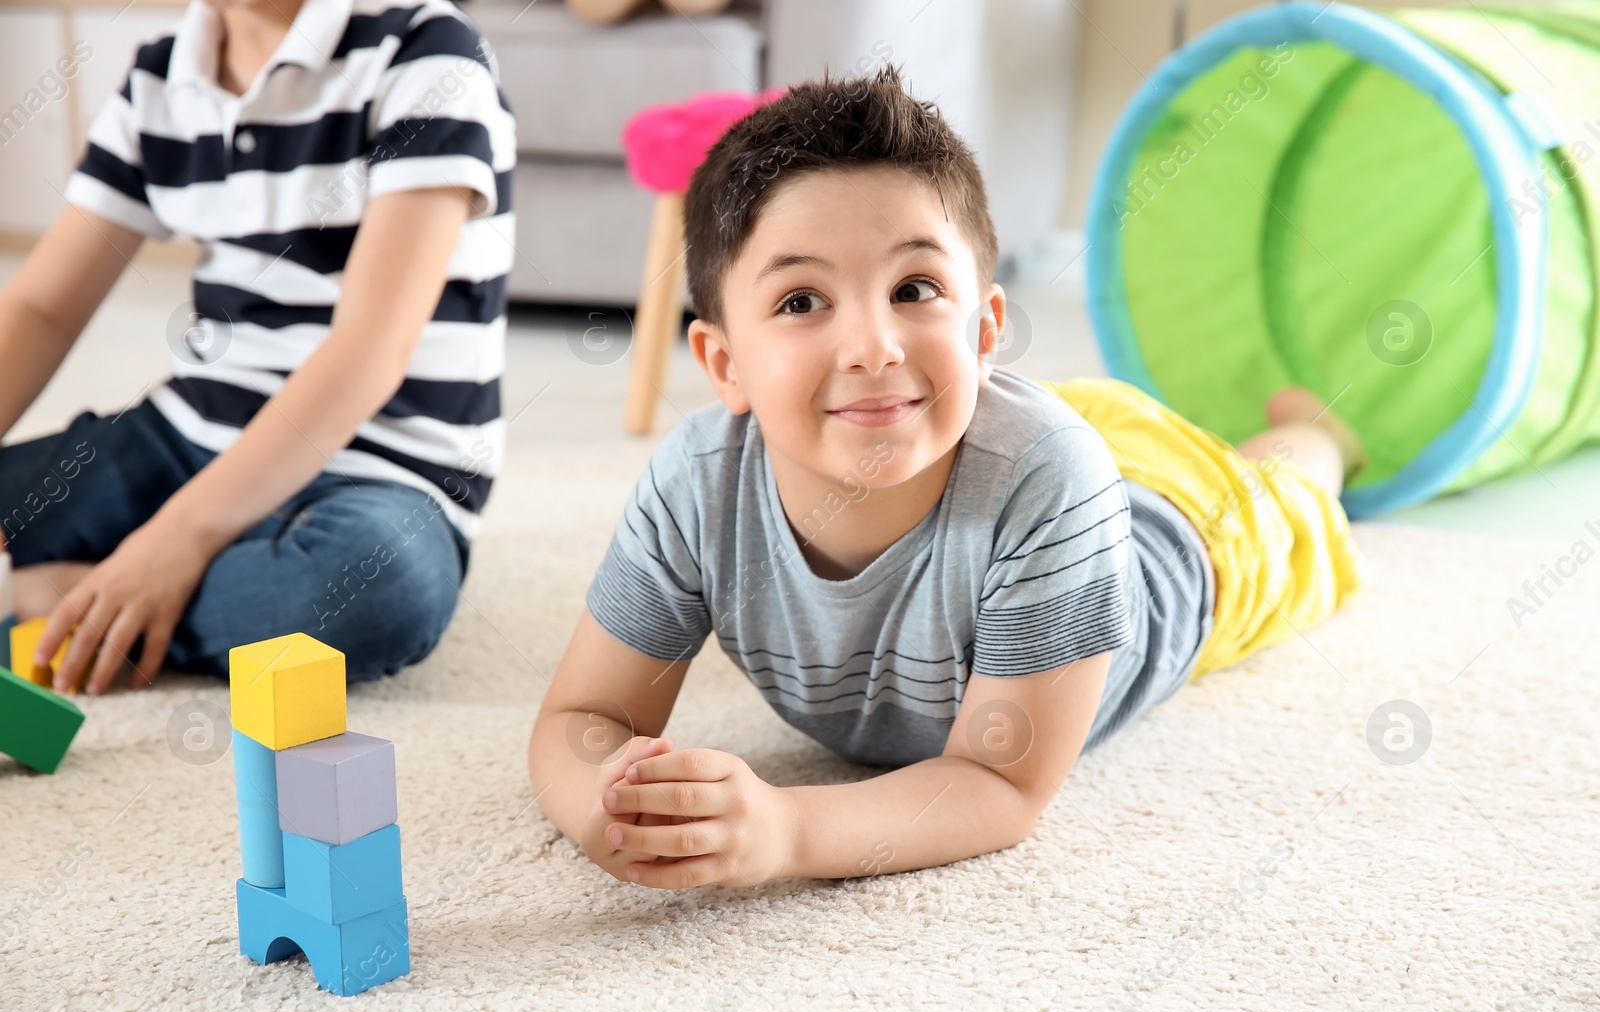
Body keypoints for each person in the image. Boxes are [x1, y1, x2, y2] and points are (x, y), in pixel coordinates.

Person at [527, 65, 1364, 890]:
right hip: (984, 429)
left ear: (986, 326)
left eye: (915, 287)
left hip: (1179, 526)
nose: (874, 346)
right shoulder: (697, 482)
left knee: (1289, 483)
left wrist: (787, 828)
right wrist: (601, 799)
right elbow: (581, 719)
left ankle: (1315, 428)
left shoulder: (1052, 479)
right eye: (800, 301)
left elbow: (999, 785)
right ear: (723, 363)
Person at [0, 0, 514, 694]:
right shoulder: (160, 76)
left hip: (379, 468)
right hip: (188, 435)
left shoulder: (426, 52)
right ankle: (132, 595)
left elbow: (368, 351)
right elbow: (42, 307)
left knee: (385, 586)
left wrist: (173, 541)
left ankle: (68, 599)